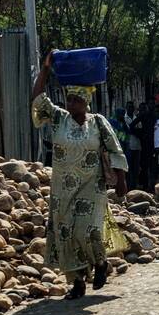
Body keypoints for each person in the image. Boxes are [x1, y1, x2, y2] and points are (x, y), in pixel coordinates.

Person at [30, 52, 127, 301]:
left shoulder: (98, 123)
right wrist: (46, 69)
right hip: (62, 189)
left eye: (76, 100)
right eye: (69, 99)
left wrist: (121, 179)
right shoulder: (59, 118)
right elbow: (38, 99)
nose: (71, 104)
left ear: (86, 102)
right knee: (66, 234)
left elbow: (115, 148)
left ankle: (101, 263)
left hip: (91, 186)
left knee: (89, 230)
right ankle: (77, 283)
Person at [130, 102, 153, 191]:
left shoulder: (149, 116)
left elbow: (132, 126)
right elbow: (131, 127)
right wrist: (140, 133)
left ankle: (146, 185)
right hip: (146, 143)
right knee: (145, 165)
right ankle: (145, 185)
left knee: (147, 165)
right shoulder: (144, 116)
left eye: (143, 109)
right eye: (141, 109)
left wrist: (140, 133)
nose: (142, 111)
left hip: (149, 142)